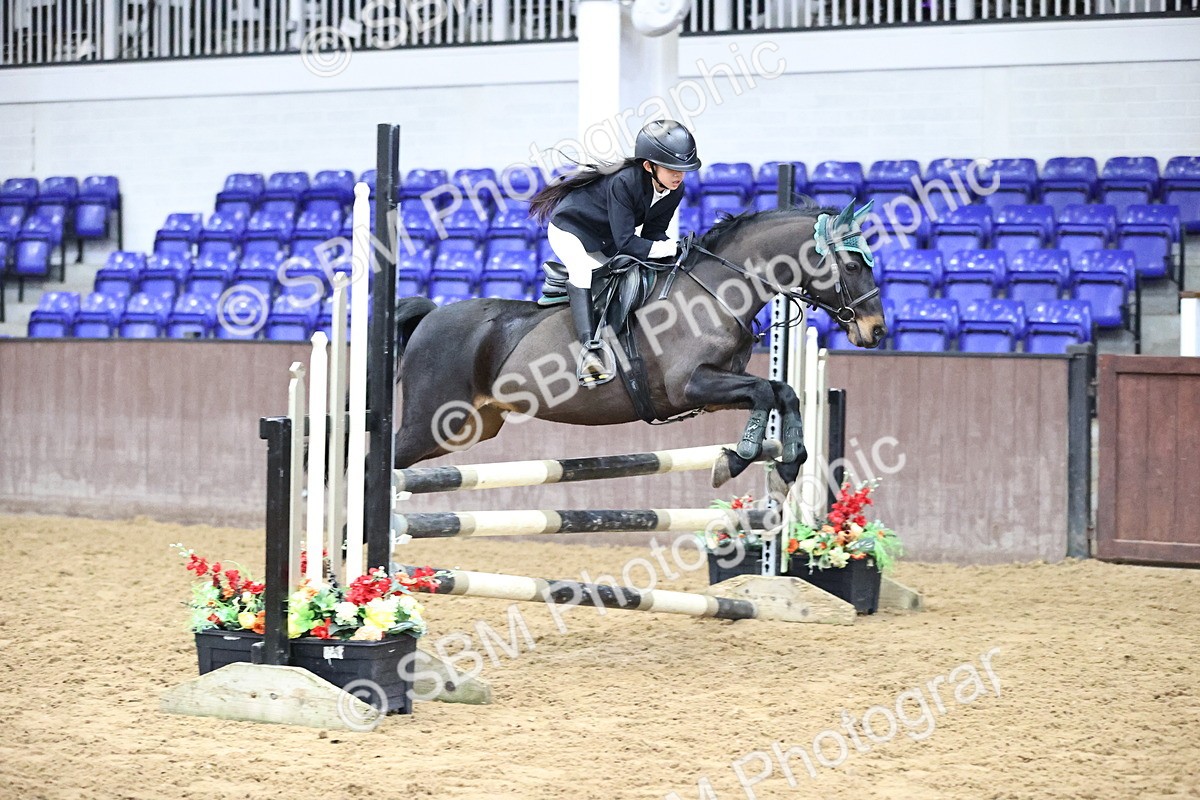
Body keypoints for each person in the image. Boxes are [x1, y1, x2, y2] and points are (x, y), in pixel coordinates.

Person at [528, 119, 702, 386]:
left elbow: (653, 233)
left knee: (633, 273)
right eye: (672, 168)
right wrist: (666, 248)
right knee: (582, 271)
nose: (679, 175)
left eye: (683, 169)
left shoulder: (674, 190)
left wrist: (673, 253)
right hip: (571, 230)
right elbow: (626, 242)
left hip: (605, 239)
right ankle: (589, 350)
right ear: (649, 166)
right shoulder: (624, 181)